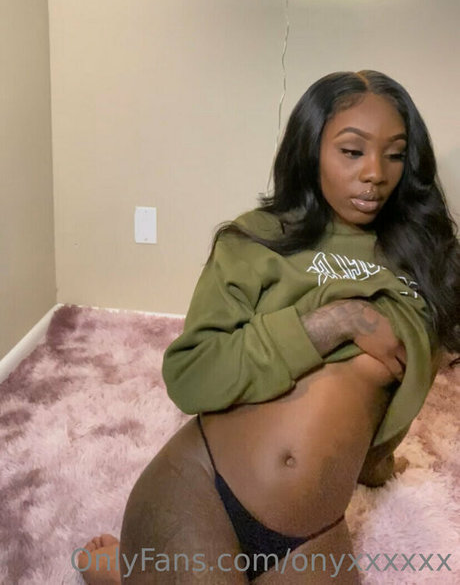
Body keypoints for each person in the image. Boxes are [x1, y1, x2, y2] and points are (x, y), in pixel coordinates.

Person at [77, 70, 460, 584]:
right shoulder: (256, 240)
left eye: (394, 154)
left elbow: (397, 390)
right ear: (311, 149)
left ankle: (138, 572)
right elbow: (191, 376)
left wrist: (376, 462)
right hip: (204, 489)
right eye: (352, 151)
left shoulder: (427, 262)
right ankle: (126, 572)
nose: (375, 173)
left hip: (312, 530)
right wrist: (334, 321)